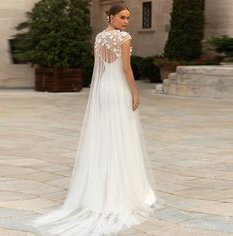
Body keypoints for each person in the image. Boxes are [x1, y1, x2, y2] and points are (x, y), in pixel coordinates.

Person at [29, 3, 157, 236]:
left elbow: (99, 68)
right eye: (122, 17)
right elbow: (126, 69)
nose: (126, 22)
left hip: (104, 88)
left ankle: (101, 189)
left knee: (106, 135)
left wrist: (97, 93)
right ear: (110, 17)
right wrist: (135, 92)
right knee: (121, 135)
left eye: (128, 18)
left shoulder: (99, 39)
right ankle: (120, 191)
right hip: (118, 90)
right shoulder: (124, 38)